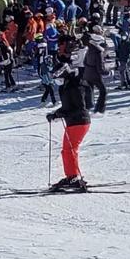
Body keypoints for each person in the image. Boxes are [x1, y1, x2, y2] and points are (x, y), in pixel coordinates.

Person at [47, 57, 91, 192]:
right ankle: (72, 176)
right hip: (74, 122)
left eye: (56, 76)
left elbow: (80, 107)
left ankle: (73, 177)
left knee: (69, 150)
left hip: (79, 121)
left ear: (63, 73)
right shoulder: (67, 85)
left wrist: (63, 114)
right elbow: (67, 106)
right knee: (67, 150)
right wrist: (56, 114)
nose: (55, 79)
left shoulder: (75, 85)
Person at [82, 30, 108, 113]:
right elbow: (100, 69)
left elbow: (84, 62)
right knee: (103, 91)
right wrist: (108, 72)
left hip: (87, 73)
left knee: (89, 91)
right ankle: (100, 109)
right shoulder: (98, 53)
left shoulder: (89, 49)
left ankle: (87, 107)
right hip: (95, 75)